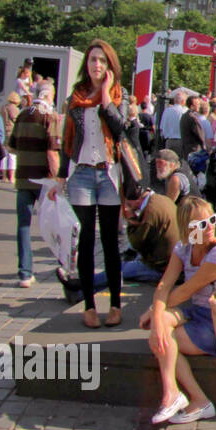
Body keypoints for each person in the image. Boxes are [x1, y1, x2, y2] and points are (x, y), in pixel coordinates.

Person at [50, 40, 127, 329]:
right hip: (81, 173)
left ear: (110, 66)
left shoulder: (118, 94)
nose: (97, 65)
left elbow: (119, 128)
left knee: (109, 242)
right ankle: (90, 305)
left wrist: (105, 94)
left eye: (102, 61)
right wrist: (60, 175)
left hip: (108, 173)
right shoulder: (77, 96)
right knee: (85, 240)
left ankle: (116, 304)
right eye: (93, 60)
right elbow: (68, 139)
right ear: (86, 64)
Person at [139, 197, 216, 426]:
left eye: (212, 220)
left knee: (162, 339)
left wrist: (154, 315)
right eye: (201, 224)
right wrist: (157, 316)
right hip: (198, 312)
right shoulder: (183, 248)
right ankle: (175, 394)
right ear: (188, 230)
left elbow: (185, 291)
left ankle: (194, 398)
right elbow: (163, 286)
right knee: (161, 331)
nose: (209, 228)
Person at [59, 182, 182, 302]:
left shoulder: (150, 213)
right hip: (171, 260)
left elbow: (136, 243)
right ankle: (81, 289)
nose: (126, 207)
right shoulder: (159, 199)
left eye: (128, 204)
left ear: (137, 199)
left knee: (120, 270)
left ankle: (80, 286)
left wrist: (130, 219)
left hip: (162, 267)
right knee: (122, 267)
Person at [10, 81, 59, 288]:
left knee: (23, 225)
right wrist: (57, 179)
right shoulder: (49, 117)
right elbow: (52, 152)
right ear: (49, 96)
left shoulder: (22, 115)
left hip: (23, 177)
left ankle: (25, 273)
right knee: (55, 225)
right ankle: (62, 267)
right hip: (43, 180)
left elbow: (11, 146)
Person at [179, 95, 205, 163]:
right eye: (197, 104)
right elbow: (199, 134)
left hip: (186, 148)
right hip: (194, 149)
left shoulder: (184, 116)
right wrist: (204, 146)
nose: (199, 106)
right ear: (192, 106)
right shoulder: (192, 117)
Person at [0, 92, 20, 182]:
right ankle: (11, 176)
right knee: (12, 155)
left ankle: (4, 176)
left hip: (4, 131)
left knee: (3, 154)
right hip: (11, 132)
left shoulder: (4, 107)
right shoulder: (13, 108)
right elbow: (15, 118)